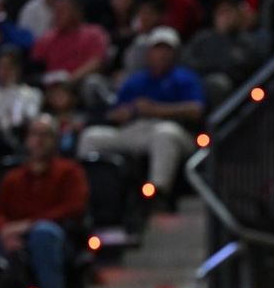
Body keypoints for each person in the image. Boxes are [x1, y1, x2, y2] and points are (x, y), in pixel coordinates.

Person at [77, 26, 204, 203]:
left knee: (164, 134)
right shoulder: (137, 80)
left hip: (177, 131)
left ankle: (157, 195)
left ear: (175, 53)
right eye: (157, 49)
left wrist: (156, 109)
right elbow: (113, 113)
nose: (161, 54)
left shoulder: (185, 78)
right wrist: (127, 112)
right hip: (135, 129)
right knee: (91, 137)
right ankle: (92, 193)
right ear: (149, 53)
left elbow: (196, 110)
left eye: (166, 49)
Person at [0, 113, 90, 288]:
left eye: (46, 135)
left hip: (60, 238)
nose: (39, 140)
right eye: (35, 134)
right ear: (27, 140)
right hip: (15, 238)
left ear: (55, 140)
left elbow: (74, 207)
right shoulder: (13, 178)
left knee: (44, 232)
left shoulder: (70, 171)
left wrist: (28, 225)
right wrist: (5, 232)